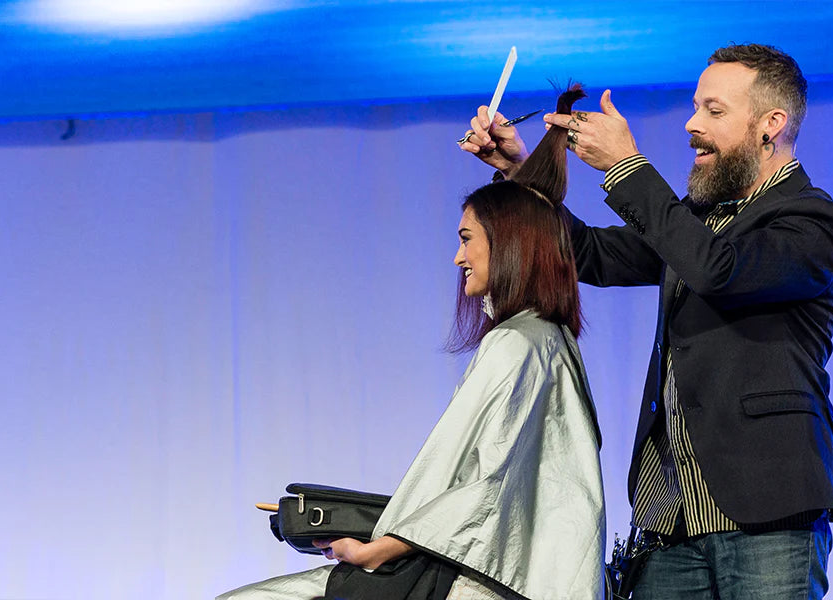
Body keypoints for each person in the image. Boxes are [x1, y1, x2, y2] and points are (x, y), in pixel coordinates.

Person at [461, 43, 833, 598]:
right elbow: (590, 254)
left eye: (714, 111)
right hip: (671, 520)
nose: (692, 124)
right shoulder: (696, 224)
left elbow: (717, 270)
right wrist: (521, 172)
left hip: (768, 517)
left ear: (771, 124)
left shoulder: (813, 220)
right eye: (695, 107)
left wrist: (627, 168)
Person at [217, 87, 606, 600]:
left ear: (508, 244)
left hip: (484, 581)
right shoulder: (547, 338)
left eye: (466, 239)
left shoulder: (517, 344)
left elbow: (486, 484)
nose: (456, 258)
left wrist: (377, 547)